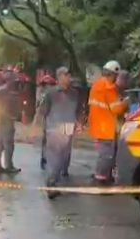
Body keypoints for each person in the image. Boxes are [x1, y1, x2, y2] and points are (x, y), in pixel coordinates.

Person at [32, 66, 83, 199]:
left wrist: (79, 123)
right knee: (54, 157)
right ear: (59, 77)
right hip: (54, 128)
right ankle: (51, 184)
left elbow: (77, 111)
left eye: (69, 75)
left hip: (68, 128)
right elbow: (42, 111)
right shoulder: (51, 93)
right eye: (65, 75)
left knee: (63, 158)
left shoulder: (74, 93)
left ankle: (56, 181)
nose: (68, 78)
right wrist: (35, 126)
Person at [88, 60, 129, 185]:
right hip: (106, 126)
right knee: (107, 155)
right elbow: (116, 109)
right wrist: (125, 103)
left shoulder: (97, 85)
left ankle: (104, 175)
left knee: (105, 154)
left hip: (98, 124)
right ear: (113, 75)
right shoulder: (109, 87)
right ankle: (100, 179)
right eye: (117, 76)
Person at [0, 72, 21, 175]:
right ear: (9, 80)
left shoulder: (7, 90)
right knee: (8, 144)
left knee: (0, 143)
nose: (15, 81)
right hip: (5, 120)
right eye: (13, 79)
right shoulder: (4, 90)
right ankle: (8, 166)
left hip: (4, 119)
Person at [37, 74, 56, 170]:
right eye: (45, 85)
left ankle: (48, 158)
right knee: (46, 140)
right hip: (48, 120)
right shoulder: (43, 94)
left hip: (53, 120)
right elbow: (42, 109)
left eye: (48, 85)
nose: (46, 87)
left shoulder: (51, 94)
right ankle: (44, 158)